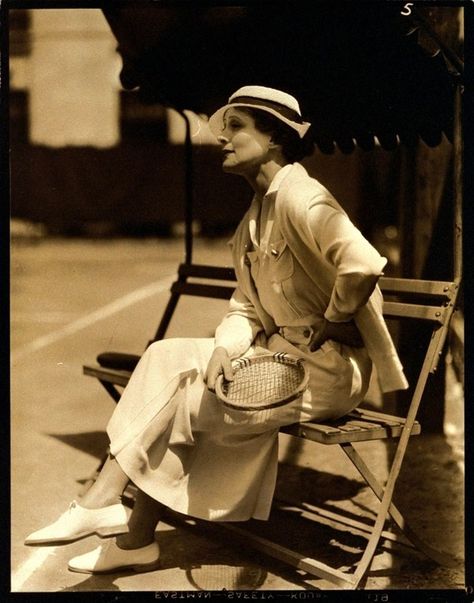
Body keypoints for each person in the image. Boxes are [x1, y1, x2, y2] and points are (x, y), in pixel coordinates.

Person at [25, 85, 408, 574]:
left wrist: (332, 320)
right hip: (277, 360)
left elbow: (361, 264)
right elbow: (246, 305)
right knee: (168, 358)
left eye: (236, 128)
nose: (222, 139)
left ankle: (121, 521)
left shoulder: (303, 198)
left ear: (274, 139)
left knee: (174, 402)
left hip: (328, 373)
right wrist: (226, 348)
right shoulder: (255, 216)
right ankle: (120, 521)